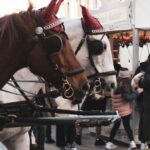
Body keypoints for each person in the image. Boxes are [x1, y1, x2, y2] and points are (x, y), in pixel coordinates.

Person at [105, 68, 137, 150]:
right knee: (127, 126)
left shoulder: (115, 83)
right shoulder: (122, 87)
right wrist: (137, 92)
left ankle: (109, 143)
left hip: (116, 110)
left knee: (116, 126)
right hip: (124, 111)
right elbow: (128, 98)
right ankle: (132, 143)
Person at [131, 54, 150, 150]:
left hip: (144, 99)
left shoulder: (143, 67)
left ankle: (144, 144)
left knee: (144, 120)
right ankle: (144, 144)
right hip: (145, 99)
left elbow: (146, 82)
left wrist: (140, 82)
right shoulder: (146, 67)